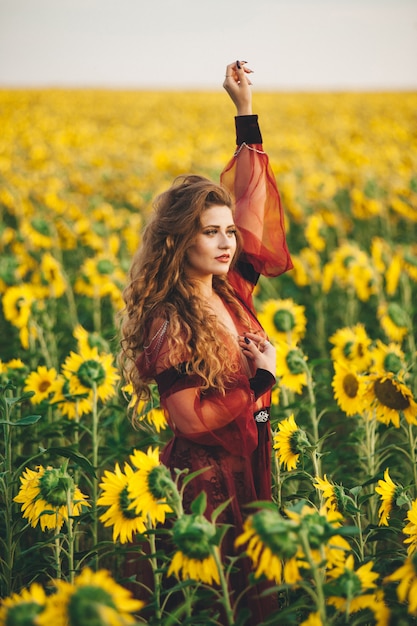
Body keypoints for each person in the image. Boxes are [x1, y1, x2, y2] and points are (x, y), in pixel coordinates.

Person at [120, 60, 293, 622]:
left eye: (226, 233)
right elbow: (190, 420)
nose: (226, 242)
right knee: (217, 600)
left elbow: (252, 204)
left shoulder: (234, 290)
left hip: (252, 468)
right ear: (178, 240)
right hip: (208, 488)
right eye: (208, 231)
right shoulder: (167, 320)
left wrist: (244, 112)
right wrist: (263, 379)